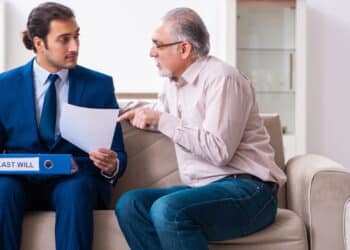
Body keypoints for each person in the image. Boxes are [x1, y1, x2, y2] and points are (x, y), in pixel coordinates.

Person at [116, 7, 286, 250]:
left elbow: (219, 151)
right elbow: (161, 112)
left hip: (251, 191)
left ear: (184, 49)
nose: (151, 52)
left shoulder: (223, 79)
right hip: (204, 190)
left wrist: (161, 119)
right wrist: (115, 107)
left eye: (158, 45)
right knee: (130, 205)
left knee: (168, 210)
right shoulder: (172, 83)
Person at [0, 2, 127, 250]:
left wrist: (112, 165)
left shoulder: (99, 85)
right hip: (21, 180)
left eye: (77, 36)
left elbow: (118, 154)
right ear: (39, 43)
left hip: (75, 180)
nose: (75, 47)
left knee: (75, 190)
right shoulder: (4, 85)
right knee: (2, 189)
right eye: (64, 39)